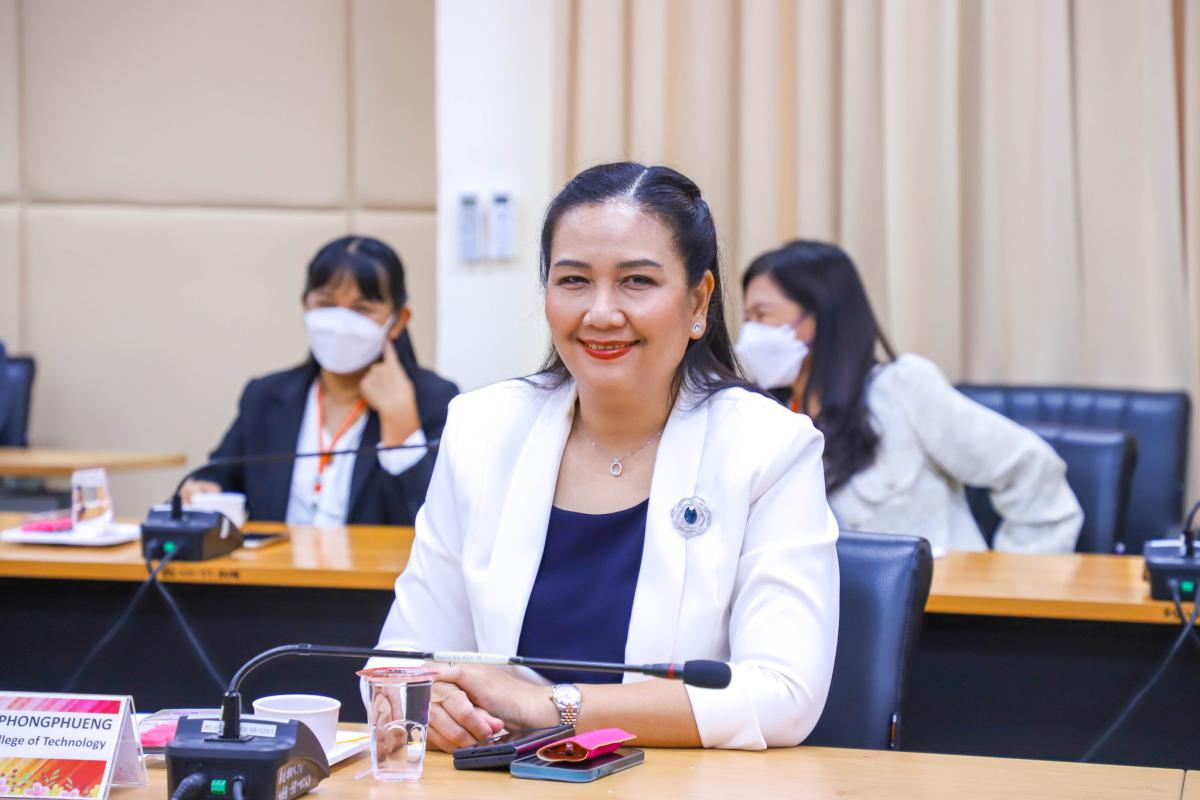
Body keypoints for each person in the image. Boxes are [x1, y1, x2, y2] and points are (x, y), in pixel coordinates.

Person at [372, 163, 839, 752]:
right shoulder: (482, 428)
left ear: (699, 299)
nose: (600, 313)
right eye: (573, 280)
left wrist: (551, 708)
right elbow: (397, 662)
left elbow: (784, 695)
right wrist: (425, 701)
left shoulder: (769, 446)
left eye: (636, 281)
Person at [738, 240, 1082, 552]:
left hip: (939, 599)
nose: (750, 333)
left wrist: (1007, 584)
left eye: (762, 315)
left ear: (819, 315)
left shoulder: (902, 388)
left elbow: (1031, 469)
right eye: (747, 318)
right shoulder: (769, 418)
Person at [182, 236, 458, 526]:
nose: (340, 323)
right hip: (279, 558)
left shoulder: (433, 400)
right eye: (326, 304)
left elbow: (439, 524)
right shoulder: (265, 396)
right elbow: (220, 472)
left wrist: (402, 429)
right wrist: (204, 488)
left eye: (362, 309)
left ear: (398, 320)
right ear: (306, 305)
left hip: (373, 559)